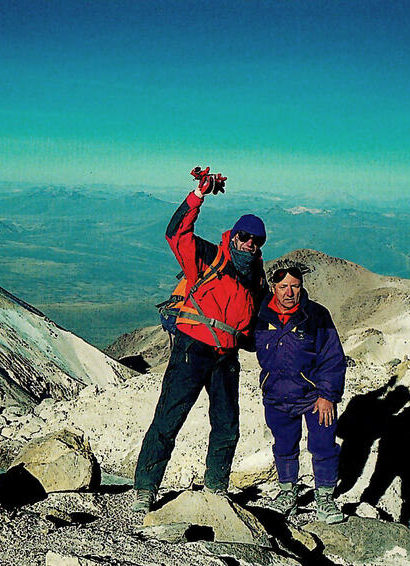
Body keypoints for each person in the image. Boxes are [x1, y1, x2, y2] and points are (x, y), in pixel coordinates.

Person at [131, 174, 268, 513]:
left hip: (226, 358)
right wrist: (197, 196)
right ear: (234, 236)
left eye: (256, 241)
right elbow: (176, 234)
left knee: (227, 426)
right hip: (192, 349)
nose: (249, 244)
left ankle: (216, 490)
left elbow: (253, 329)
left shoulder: (256, 281)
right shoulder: (210, 256)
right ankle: (145, 490)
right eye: (244, 237)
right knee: (169, 418)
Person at [254, 265, 346, 523]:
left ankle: (325, 499)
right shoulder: (261, 315)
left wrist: (327, 395)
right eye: (283, 286)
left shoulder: (316, 315)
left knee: (323, 445)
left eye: (295, 286)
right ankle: (287, 494)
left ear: (302, 286)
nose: (289, 292)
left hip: (313, 397)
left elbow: (333, 357)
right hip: (276, 394)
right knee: (283, 446)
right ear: (273, 288)